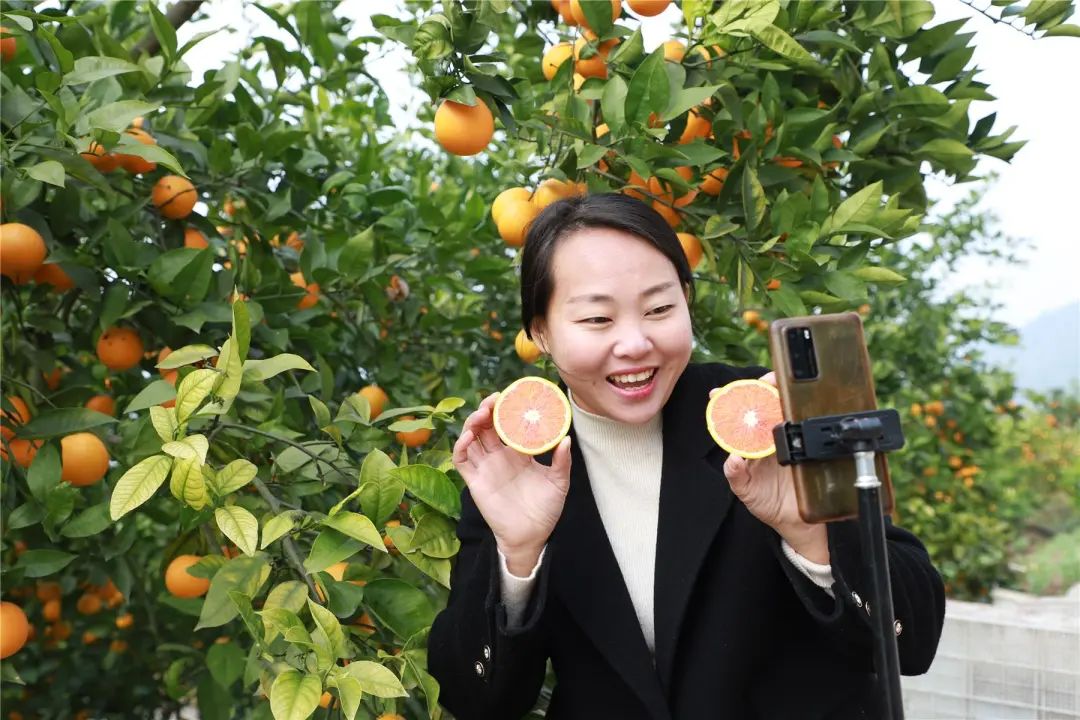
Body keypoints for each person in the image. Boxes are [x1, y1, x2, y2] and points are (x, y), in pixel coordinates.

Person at [429, 193, 945, 719]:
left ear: (687, 301)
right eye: (598, 319)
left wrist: (813, 537)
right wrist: (518, 558)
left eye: (659, 309)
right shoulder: (517, 467)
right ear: (540, 331)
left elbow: (913, 642)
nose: (635, 343)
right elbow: (475, 702)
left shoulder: (761, 419)